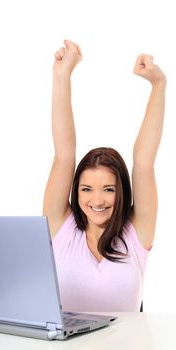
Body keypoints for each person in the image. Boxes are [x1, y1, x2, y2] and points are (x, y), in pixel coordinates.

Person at [43, 39, 166, 312]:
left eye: (108, 189)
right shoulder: (60, 227)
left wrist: (158, 85)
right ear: (75, 191)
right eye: (86, 189)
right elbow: (64, 153)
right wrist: (62, 75)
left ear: (121, 190)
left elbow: (144, 162)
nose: (96, 200)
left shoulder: (137, 232)